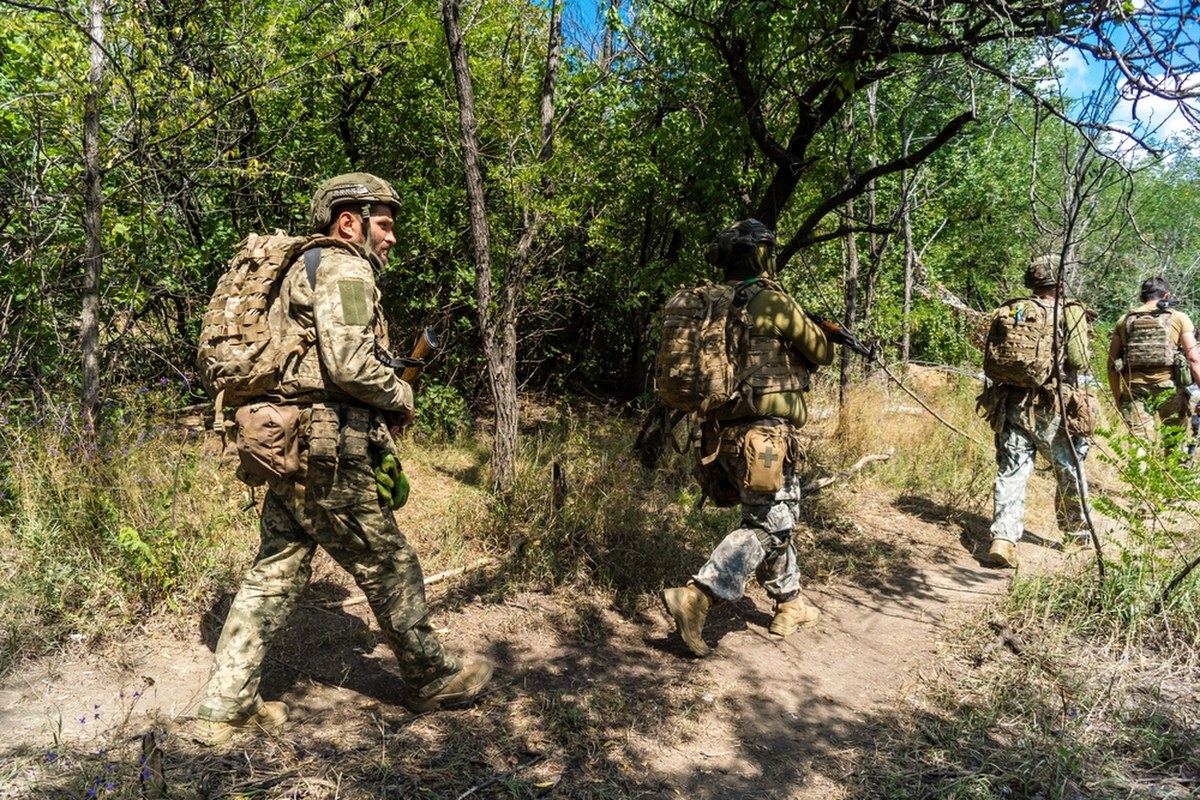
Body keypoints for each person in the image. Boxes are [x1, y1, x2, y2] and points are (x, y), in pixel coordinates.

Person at [192, 173, 492, 746]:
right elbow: (351, 366)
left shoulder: (300, 267)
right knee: (389, 561)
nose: (392, 237)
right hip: (325, 449)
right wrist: (400, 394)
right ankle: (431, 678)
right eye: (384, 223)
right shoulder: (344, 266)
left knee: (275, 569)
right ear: (348, 221)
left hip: (283, 443)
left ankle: (224, 708)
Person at [659, 219, 834, 657]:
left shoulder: (710, 305)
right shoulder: (772, 302)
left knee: (773, 517)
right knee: (769, 526)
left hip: (721, 436)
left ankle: (790, 604)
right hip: (767, 438)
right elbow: (821, 353)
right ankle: (699, 595)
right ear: (762, 254)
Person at [982, 255, 1093, 568]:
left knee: (1012, 471)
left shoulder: (1014, 309)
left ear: (1031, 283)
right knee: (1069, 469)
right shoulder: (1069, 310)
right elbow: (1080, 359)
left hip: (1011, 404)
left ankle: (1003, 539)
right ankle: (1075, 536)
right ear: (1060, 282)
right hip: (1051, 407)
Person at [1107, 276, 1200, 454]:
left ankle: (1139, 480)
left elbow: (1112, 363)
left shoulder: (1124, 320)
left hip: (1134, 389)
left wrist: (1117, 395)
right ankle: (1172, 479)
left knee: (1140, 443)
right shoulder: (1179, 318)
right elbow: (1194, 359)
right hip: (1170, 388)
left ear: (1143, 297)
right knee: (1175, 442)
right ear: (1167, 295)